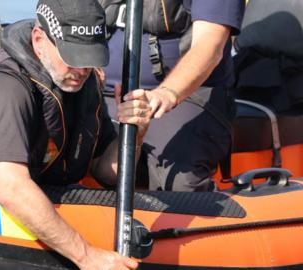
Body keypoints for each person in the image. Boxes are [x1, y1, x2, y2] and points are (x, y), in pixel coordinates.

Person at [0, 0, 147, 268]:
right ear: (39, 39)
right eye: (74, 57)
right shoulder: (5, 86)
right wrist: (86, 255)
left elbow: (103, 171)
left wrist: (134, 134)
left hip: (43, 186)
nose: (82, 70)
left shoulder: (83, 81)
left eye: (90, 58)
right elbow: (11, 189)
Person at [104, 0, 245, 191]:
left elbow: (209, 45)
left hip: (183, 96)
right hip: (101, 90)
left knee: (178, 181)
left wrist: (167, 93)